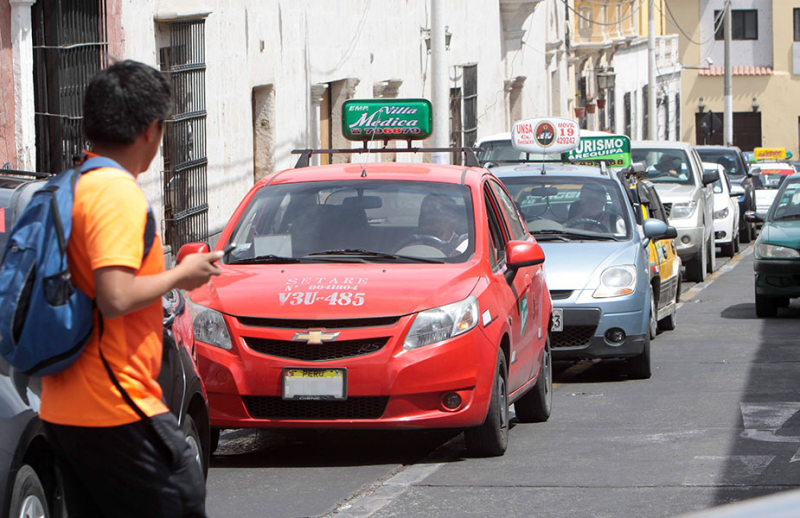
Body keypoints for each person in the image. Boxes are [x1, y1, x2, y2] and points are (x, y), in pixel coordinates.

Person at [40, 60, 221, 517]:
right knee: (182, 491)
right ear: (151, 130)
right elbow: (115, 295)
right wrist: (182, 275)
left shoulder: (69, 186)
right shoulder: (117, 192)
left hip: (64, 408)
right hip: (115, 404)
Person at [402, 193, 468, 256]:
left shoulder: (463, 246)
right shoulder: (412, 241)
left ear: (454, 222)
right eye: (428, 218)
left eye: (441, 219)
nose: (434, 225)